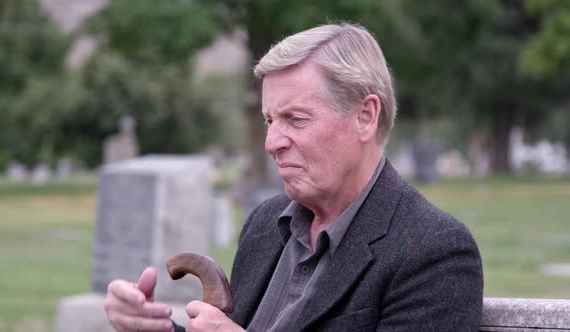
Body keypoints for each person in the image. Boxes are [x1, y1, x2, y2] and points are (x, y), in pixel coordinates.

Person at [104, 23, 483, 332]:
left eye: (295, 119)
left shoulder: (433, 252)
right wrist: (157, 330)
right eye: (270, 120)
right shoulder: (265, 225)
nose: (272, 142)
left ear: (365, 116)